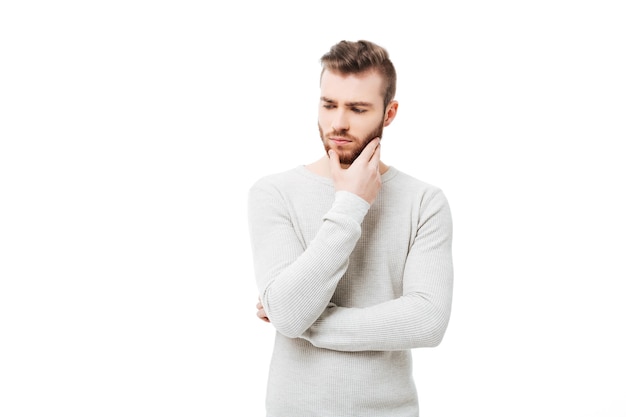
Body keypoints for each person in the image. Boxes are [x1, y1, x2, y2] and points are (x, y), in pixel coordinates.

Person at [247, 39, 454, 417]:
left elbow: (427, 321)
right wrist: (351, 205)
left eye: (358, 109)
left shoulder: (424, 201)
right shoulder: (273, 193)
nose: (338, 122)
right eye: (329, 105)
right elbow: (290, 313)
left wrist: (306, 323)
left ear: (388, 114)